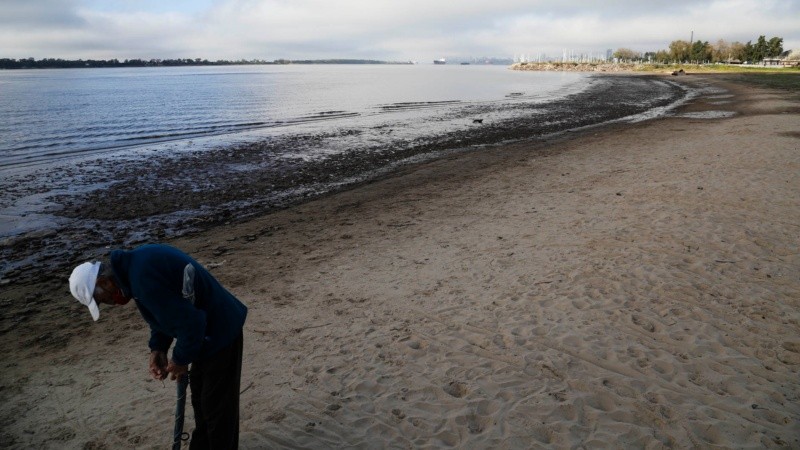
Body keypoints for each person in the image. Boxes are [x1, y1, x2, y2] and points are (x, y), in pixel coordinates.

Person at [69, 243, 247, 449]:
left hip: (220, 331)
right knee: (203, 404)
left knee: (217, 411)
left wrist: (180, 360)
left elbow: (193, 323)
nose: (110, 303)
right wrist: (158, 348)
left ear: (104, 282)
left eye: (102, 300)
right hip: (207, 335)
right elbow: (163, 314)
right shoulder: (135, 270)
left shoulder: (141, 278)